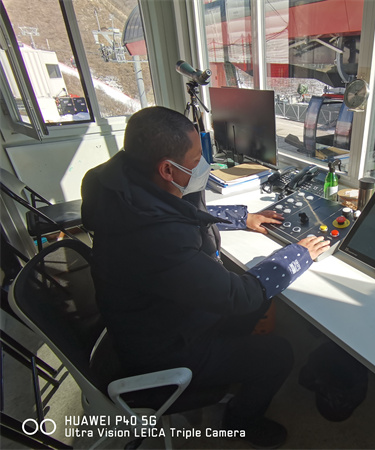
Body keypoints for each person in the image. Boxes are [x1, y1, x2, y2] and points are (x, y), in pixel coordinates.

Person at [81, 106, 330, 448]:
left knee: (257, 299)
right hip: (166, 350)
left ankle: (233, 361)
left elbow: (174, 211)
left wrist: (241, 217)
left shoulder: (122, 185)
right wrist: (297, 256)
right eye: (197, 159)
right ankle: (241, 421)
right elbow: (239, 295)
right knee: (277, 352)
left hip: (150, 318)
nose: (205, 166)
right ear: (167, 169)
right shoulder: (154, 240)